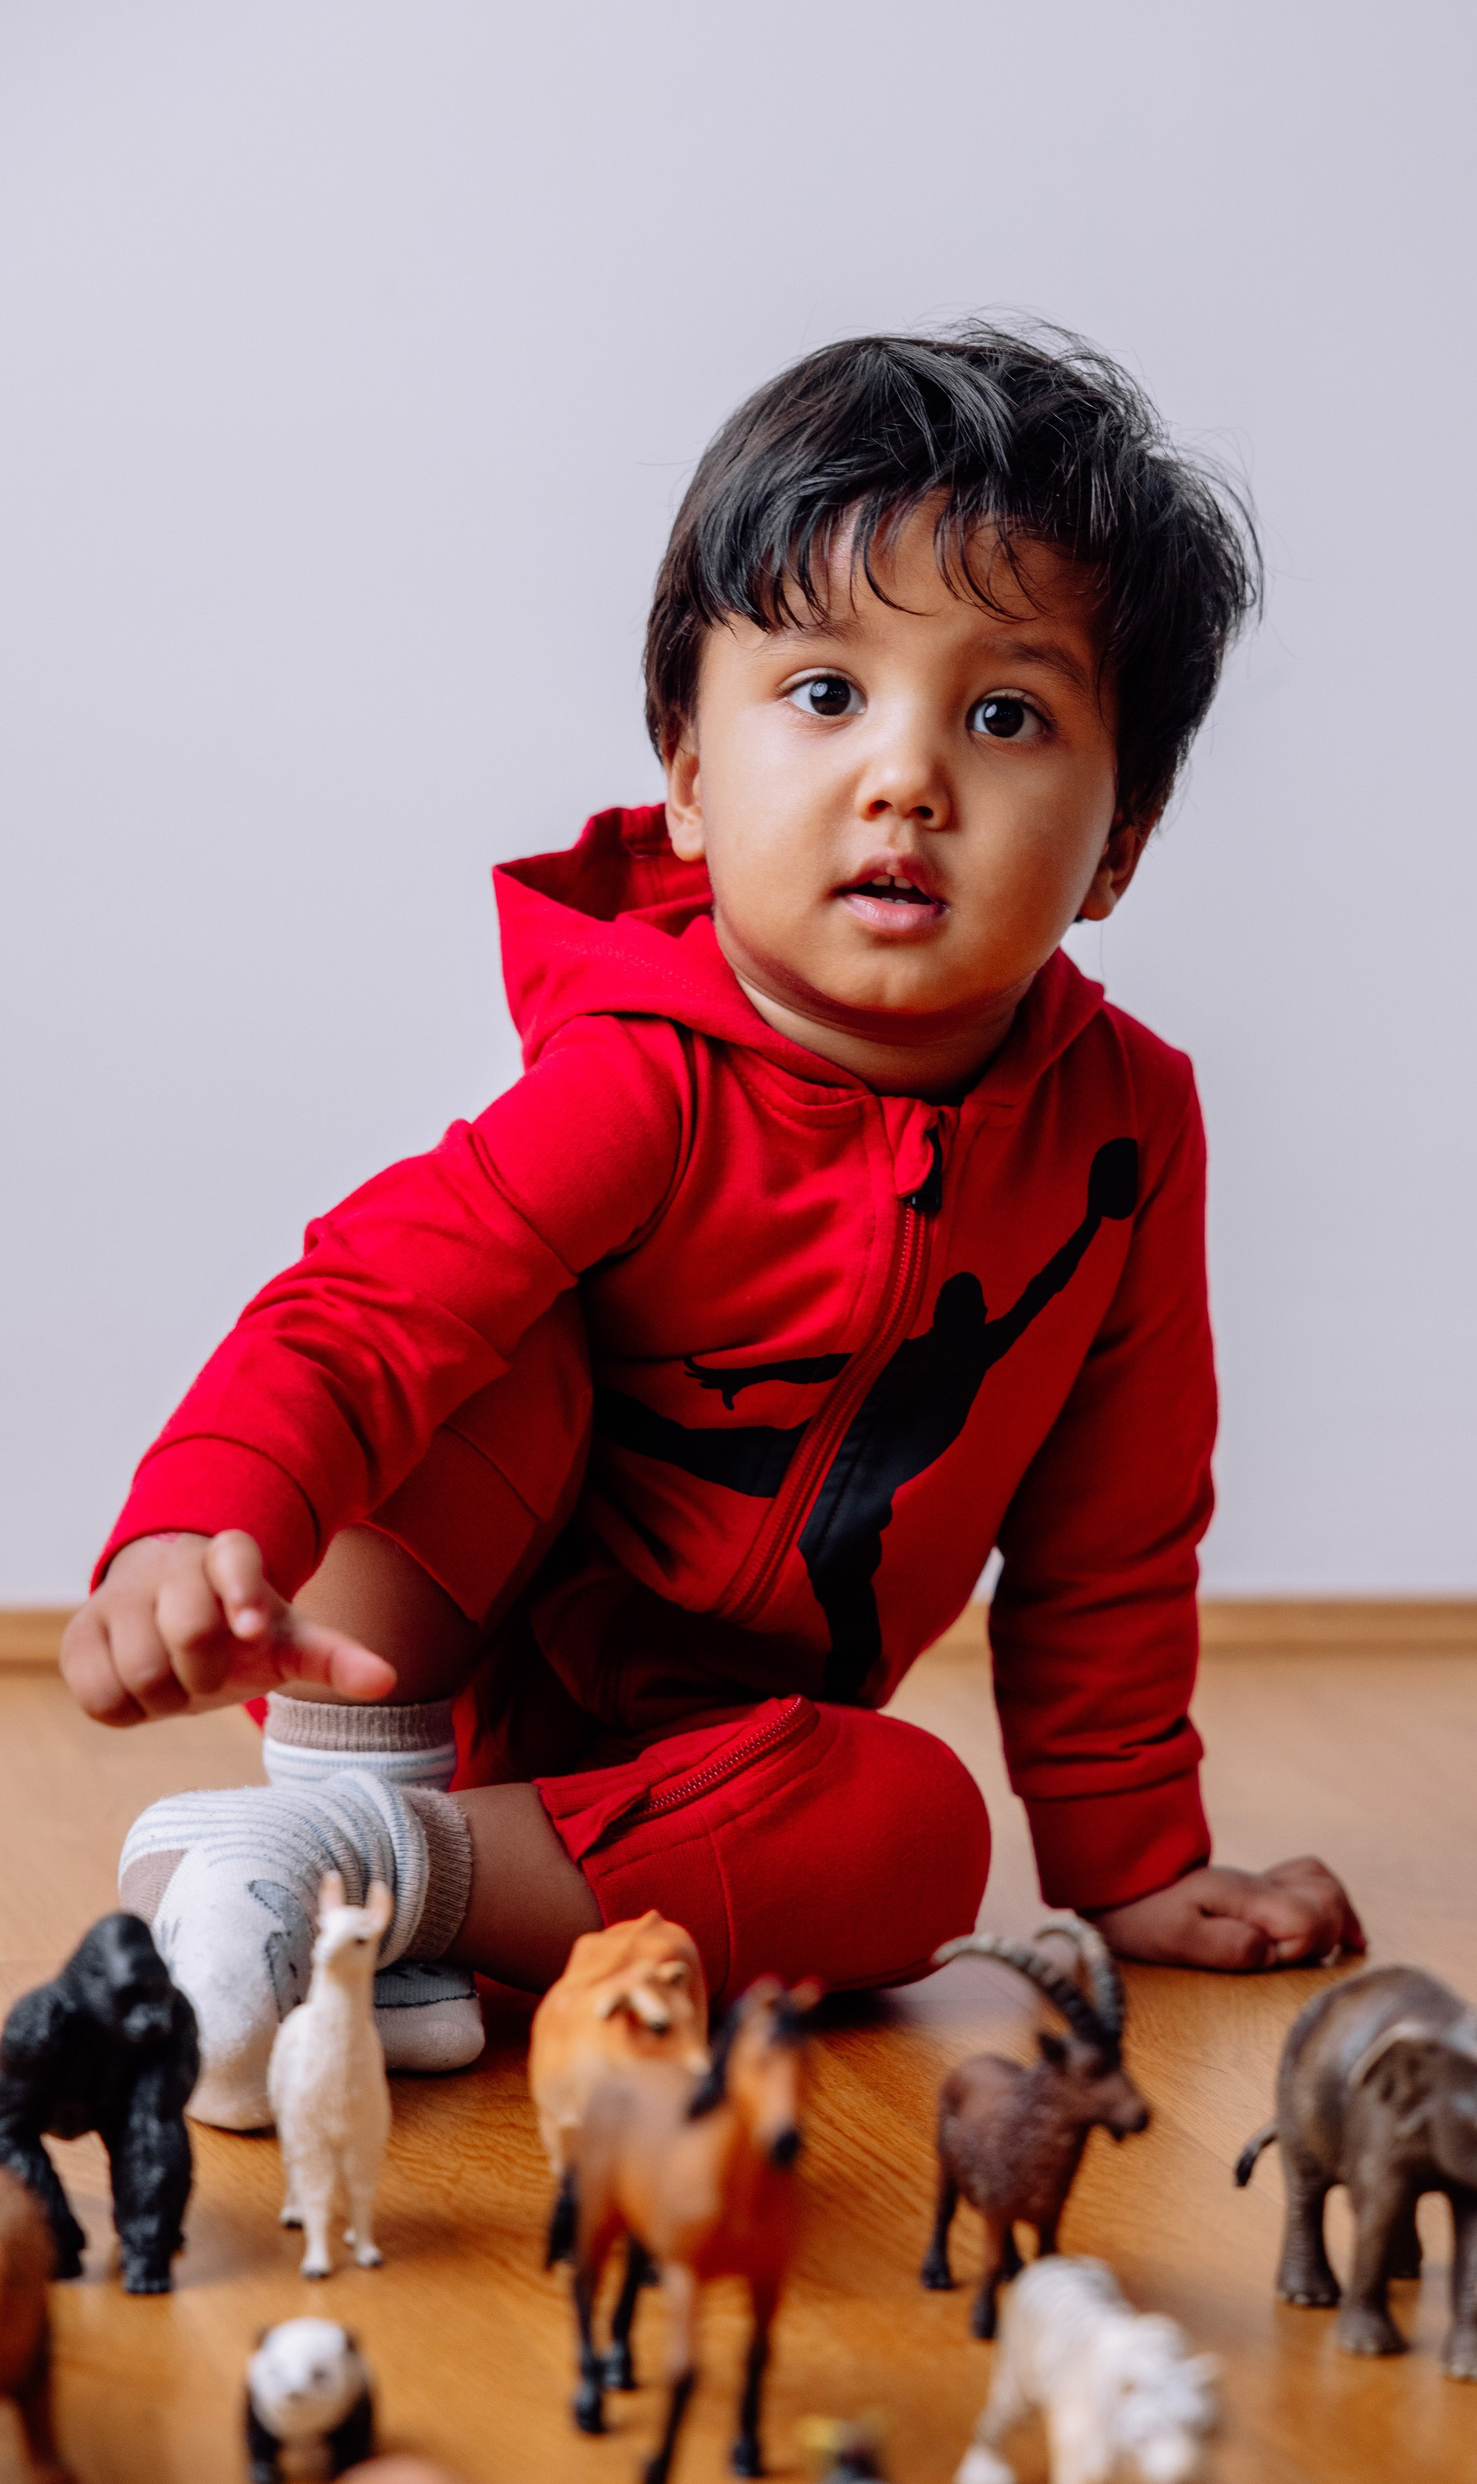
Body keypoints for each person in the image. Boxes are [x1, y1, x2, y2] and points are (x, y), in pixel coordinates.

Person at [61, 327, 1365, 2128]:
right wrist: (194, 1527)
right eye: (825, 693)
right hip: (420, 1668)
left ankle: (370, 1889)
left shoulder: (1127, 1134)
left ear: (1120, 846)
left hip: (719, 1775)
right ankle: (343, 1807)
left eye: (1005, 716)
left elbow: (1116, 1528)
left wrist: (1132, 1859)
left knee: (923, 1836)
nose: (906, 777)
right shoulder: (642, 1077)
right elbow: (358, 1308)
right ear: (686, 775)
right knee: (473, 1322)